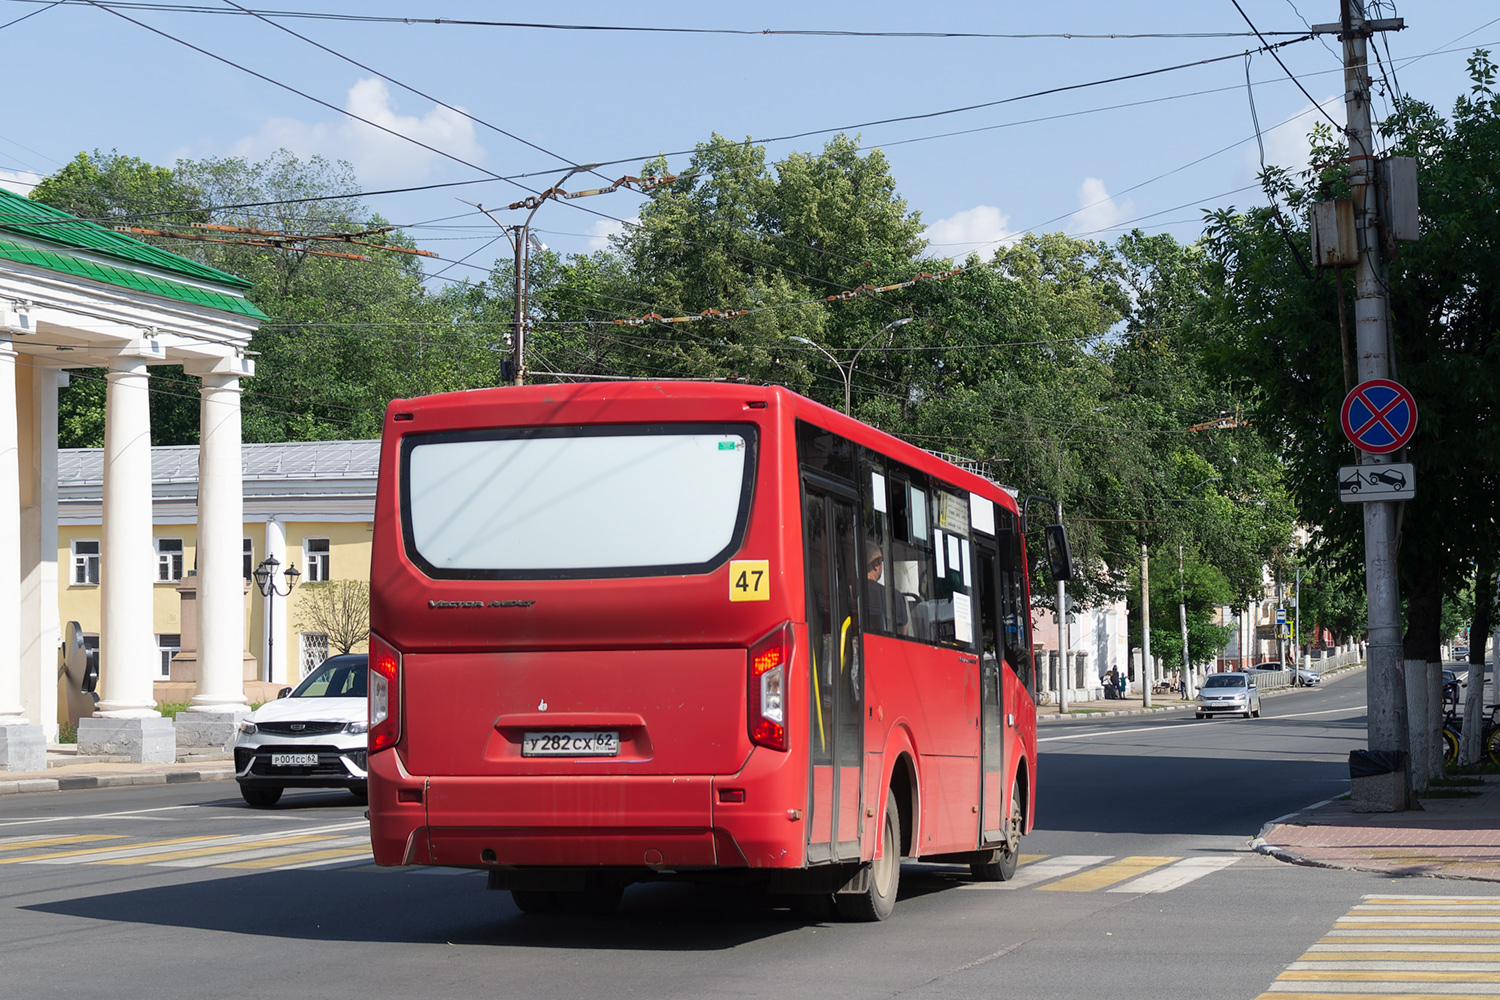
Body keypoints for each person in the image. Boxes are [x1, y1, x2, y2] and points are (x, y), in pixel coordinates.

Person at [863, 541, 908, 636]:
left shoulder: (848, 592)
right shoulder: (895, 597)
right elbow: (903, 633)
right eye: (881, 562)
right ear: (875, 565)